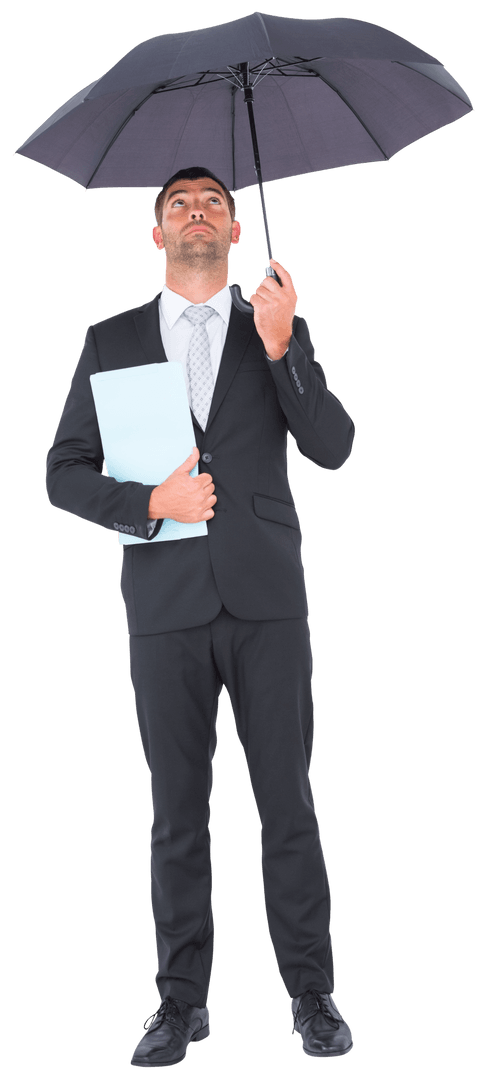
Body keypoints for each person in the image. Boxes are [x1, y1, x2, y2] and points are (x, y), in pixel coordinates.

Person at [45, 166, 356, 1067]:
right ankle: (180, 1001)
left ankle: (311, 991)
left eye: (213, 203)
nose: (196, 211)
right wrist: (151, 499)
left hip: (268, 603)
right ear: (156, 234)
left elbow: (334, 445)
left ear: (231, 232)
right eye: (178, 202)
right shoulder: (109, 339)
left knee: (288, 807)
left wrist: (282, 345)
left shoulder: (274, 325)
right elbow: (61, 470)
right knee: (176, 815)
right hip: (163, 606)